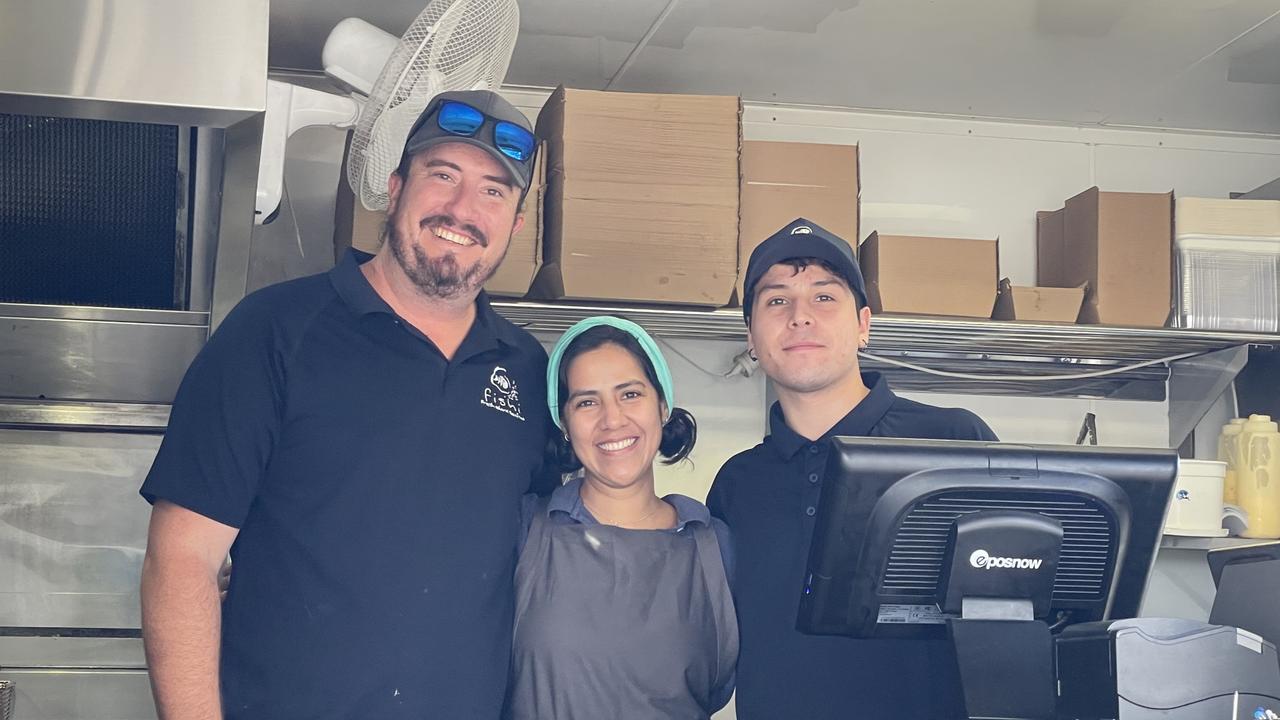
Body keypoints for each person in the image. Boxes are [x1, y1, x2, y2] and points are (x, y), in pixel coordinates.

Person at [139, 90, 553, 719]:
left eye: (495, 191)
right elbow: (182, 558)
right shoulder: (274, 332)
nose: (463, 209)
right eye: (443, 175)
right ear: (394, 187)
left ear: (516, 226)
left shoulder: (530, 372)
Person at [707, 218, 998, 719]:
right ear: (751, 337)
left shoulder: (954, 442)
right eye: (777, 300)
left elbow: (1025, 619)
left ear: (863, 324)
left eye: (824, 297)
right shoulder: (737, 485)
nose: (800, 316)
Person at [506, 316, 738, 720]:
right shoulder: (525, 530)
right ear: (564, 423)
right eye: (587, 401)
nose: (612, 419)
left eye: (630, 394)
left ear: (662, 406)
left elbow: (716, 688)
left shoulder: (713, 547)